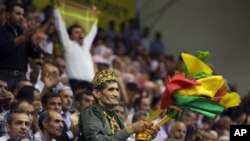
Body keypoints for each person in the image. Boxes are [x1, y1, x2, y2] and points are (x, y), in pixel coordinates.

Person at [79, 70, 159, 140]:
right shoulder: (90, 113)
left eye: (117, 90)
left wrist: (143, 137)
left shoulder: (115, 117)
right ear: (97, 93)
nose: (116, 94)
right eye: (111, 90)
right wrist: (131, 128)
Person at [53, 5, 98, 93]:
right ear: (70, 36)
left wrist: (95, 17)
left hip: (90, 83)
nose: (80, 34)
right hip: (76, 83)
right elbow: (61, 28)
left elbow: (93, 32)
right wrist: (57, 10)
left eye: (81, 32)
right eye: (76, 32)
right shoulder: (68, 44)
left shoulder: (86, 46)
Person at [0, 2, 40, 91]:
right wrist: (24, 37)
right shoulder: (2, 31)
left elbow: (35, 55)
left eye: (23, 14)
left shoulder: (23, 32)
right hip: (4, 77)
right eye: (18, 14)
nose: (22, 17)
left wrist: (32, 37)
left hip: (22, 77)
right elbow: (3, 49)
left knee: (26, 103)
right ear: (8, 15)